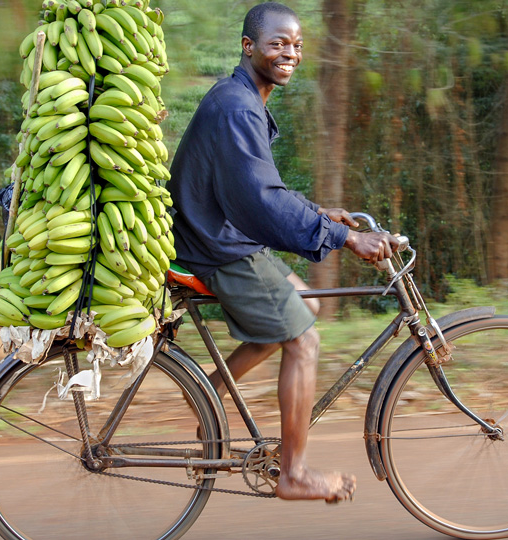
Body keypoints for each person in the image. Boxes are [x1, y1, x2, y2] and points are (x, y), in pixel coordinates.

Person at [168, 2, 398, 503]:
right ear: (248, 47)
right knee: (305, 341)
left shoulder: (244, 99)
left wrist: (320, 212)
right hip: (217, 246)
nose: (289, 53)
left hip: (219, 235)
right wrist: (345, 238)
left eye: (296, 44)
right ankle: (293, 474)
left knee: (305, 304)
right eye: (277, 43)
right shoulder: (236, 105)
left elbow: (259, 187)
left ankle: (210, 388)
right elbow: (259, 201)